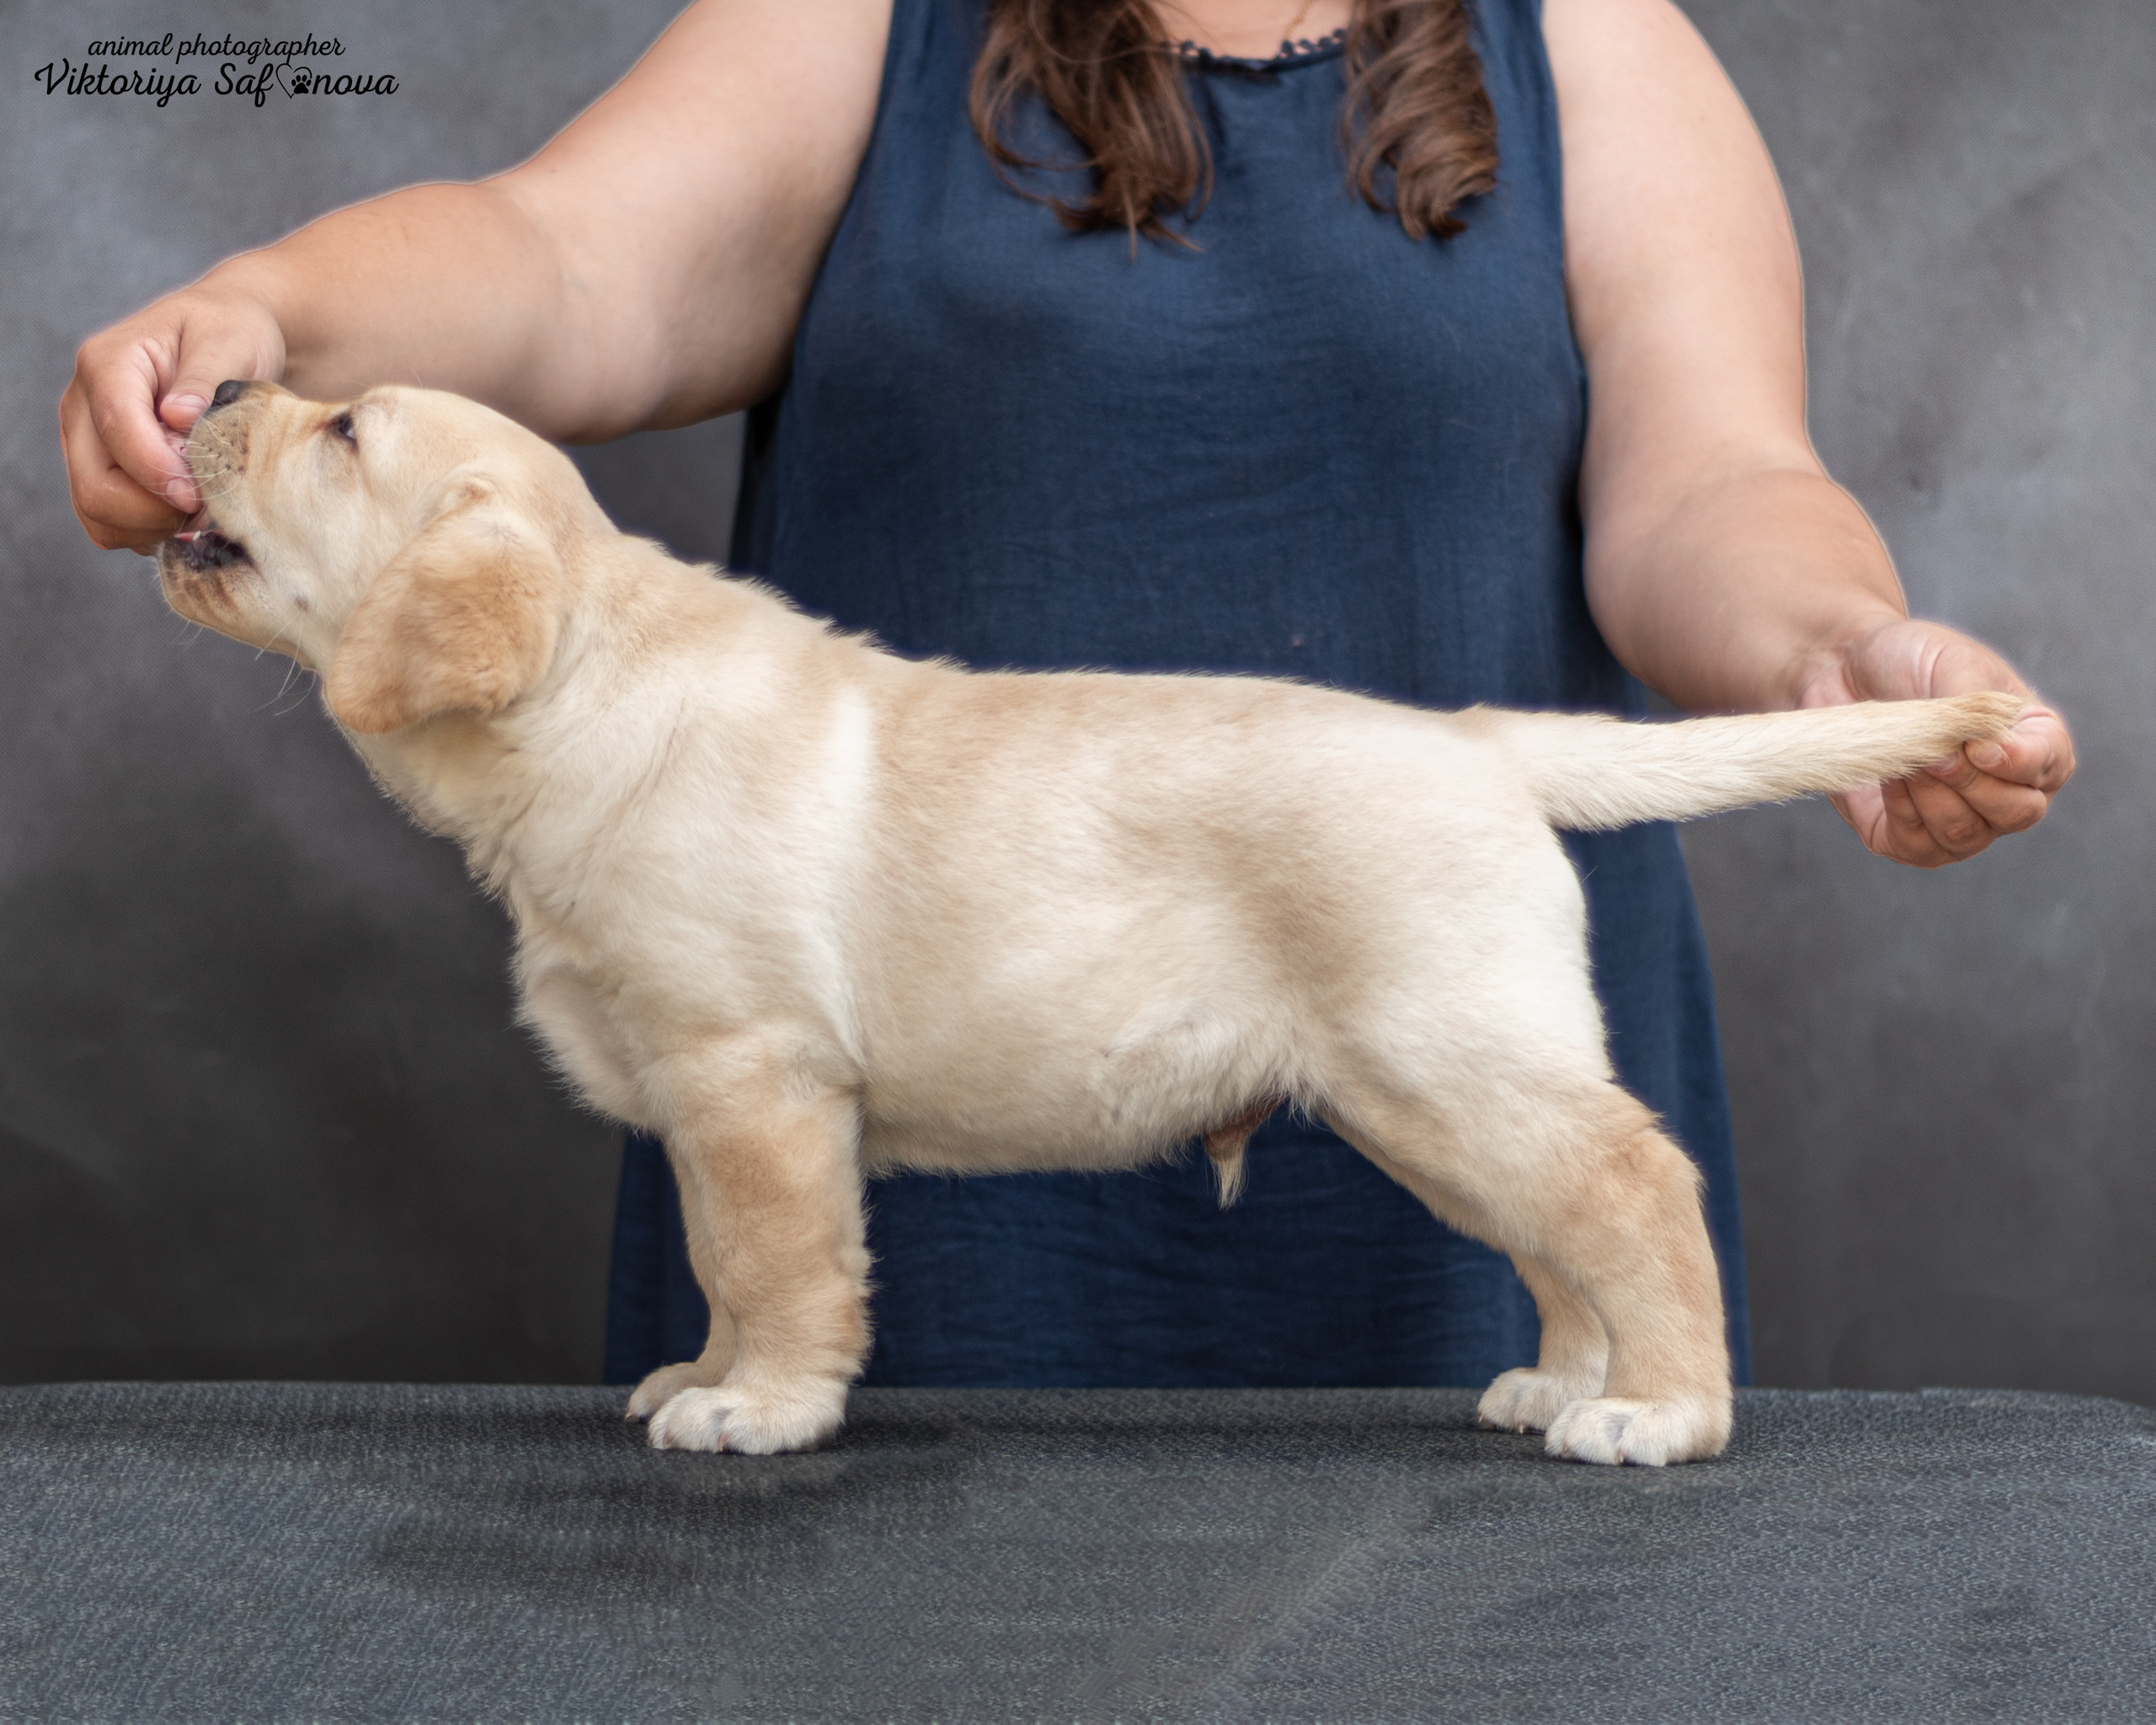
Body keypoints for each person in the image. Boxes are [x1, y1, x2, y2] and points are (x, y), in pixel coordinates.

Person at [62, 0, 2073, 1397]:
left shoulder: (1589, 45)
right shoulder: (862, 26)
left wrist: (1835, 650)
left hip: (1396, 956)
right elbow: (563, 262)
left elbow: (1711, 480)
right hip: (949, 1088)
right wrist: (274, 320)